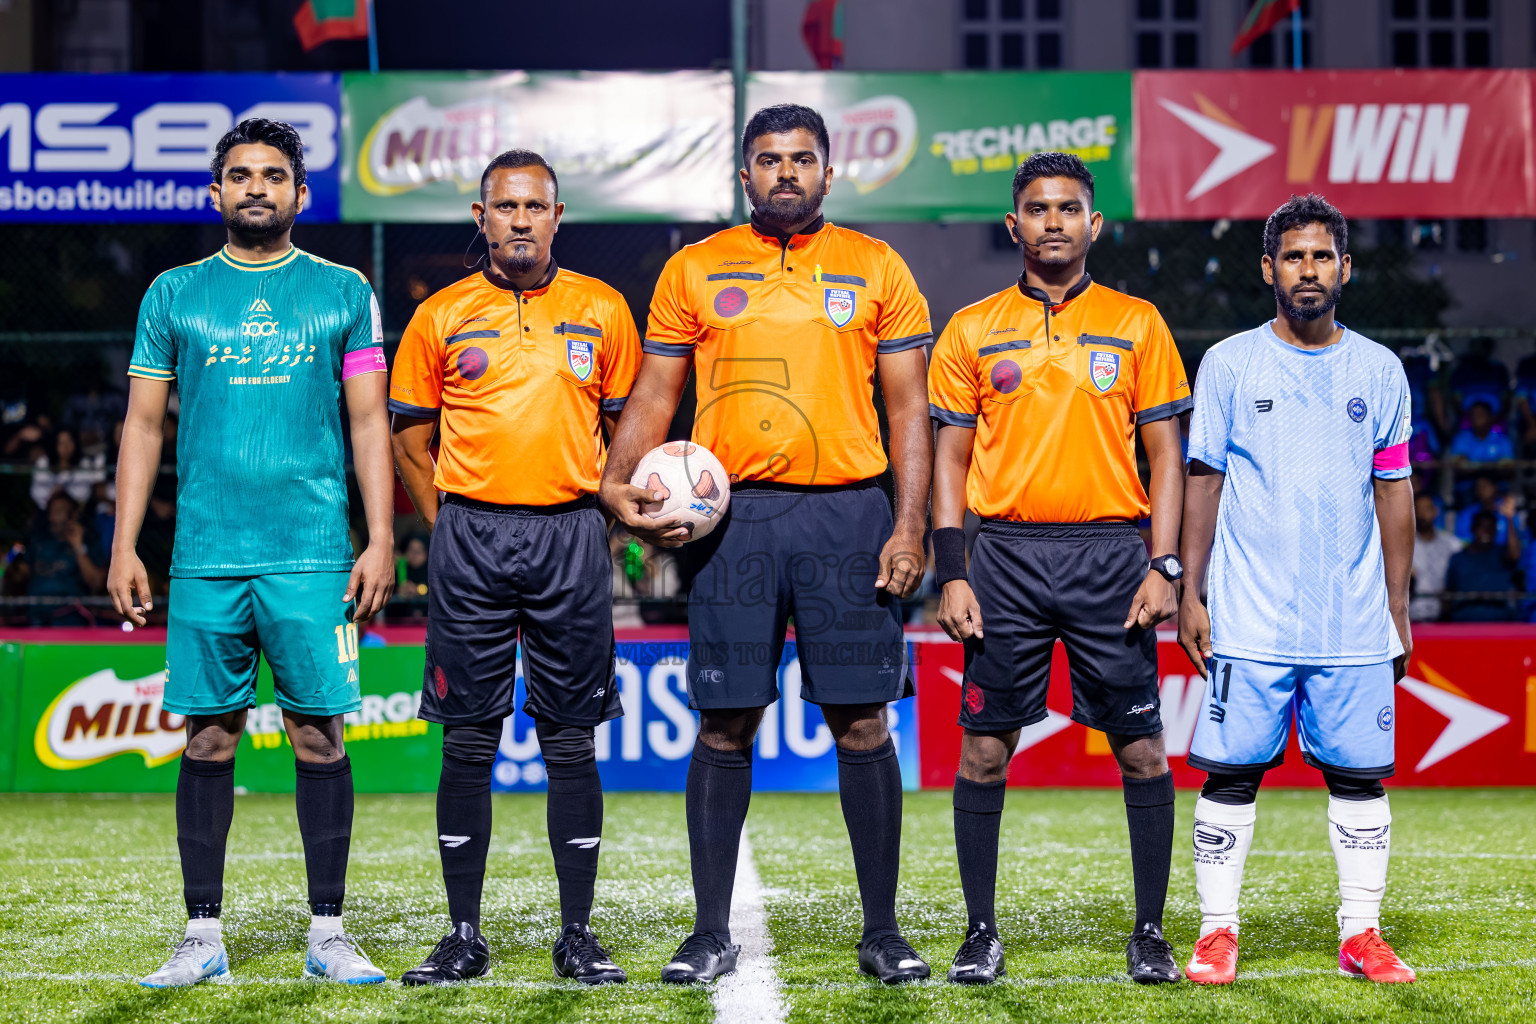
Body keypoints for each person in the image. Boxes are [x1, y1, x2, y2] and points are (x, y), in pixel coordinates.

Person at [600, 104, 934, 985]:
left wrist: (909, 524)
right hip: (733, 523)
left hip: (849, 518)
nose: (786, 172)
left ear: (829, 171)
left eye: (802, 158)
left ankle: (883, 931)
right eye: (769, 159)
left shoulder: (877, 265)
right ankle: (710, 931)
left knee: (862, 721)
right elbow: (655, 392)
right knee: (725, 720)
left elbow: (909, 409)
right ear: (744, 173)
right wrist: (614, 482)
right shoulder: (695, 267)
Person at [107, 118, 396, 988]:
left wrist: (381, 538)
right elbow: (143, 425)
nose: (256, 188)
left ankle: (328, 933)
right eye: (240, 175)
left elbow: (369, 422)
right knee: (207, 741)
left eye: (273, 175)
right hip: (206, 553)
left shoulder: (343, 289)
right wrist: (124, 544)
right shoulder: (174, 294)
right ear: (217, 192)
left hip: (312, 553)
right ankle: (202, 936)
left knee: (318, 737)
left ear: (300, 193)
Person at [928, 152, 1191, 986]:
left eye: (1068, 208)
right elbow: (949, 458)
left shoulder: (1137, 322)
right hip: (1004, 557)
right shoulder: (971, 328)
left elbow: (1167, 457)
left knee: (1141, 749)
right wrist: (952, 568)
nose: (1053, 222)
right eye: (1038, 209)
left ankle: (1150, 933)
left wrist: (1166, 566)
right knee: (984, 751)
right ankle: (980, 933)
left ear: (1094, 224)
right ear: (1014, 225)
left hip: (1111, 558)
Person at [390, 149, 640, 986]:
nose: (522, 219)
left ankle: (578, 935)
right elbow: (410, 442)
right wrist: (449, 532)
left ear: (558, 217)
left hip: (570, 532)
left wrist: (608, 520)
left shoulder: (603, 309)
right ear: (482, 217)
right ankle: (463, 935)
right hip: (471, 535)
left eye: (536, 206)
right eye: (506, 206)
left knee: (570, 739)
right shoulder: (440, 314)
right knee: (468, 739)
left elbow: (626, 438)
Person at [1178, 194, 1417, 986]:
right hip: (1250, 616)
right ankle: (1217, 933)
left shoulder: (1379, 370)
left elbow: (1394, 492)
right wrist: (1190, 592)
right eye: (1293, 256)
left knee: (1359, 779)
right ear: (1268, 269)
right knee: (1231, 774)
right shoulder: (1229, 364)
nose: (1307, 270)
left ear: (1345, 268)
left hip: (1351, 618)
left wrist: (1397, 608)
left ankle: (1361, 934)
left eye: (1321, 256)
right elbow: (1204, 481)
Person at [15, 490, 107, 626]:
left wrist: (78, 547)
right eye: (53, 510)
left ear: (73, 515)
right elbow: (19, 575)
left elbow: (97, 583)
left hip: (71, 618)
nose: (56, 515)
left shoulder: (88, 541)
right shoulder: (38, 541)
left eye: (62, 510)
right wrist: (9, 565)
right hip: (37, 616)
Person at [1445, 509, 1523, 622]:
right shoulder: (1457, 558)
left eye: (1491, 527)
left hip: (1500, 621)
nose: (1486, 531)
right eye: (1481, 526)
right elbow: (1448, 592)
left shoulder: (1503, 555)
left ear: (1496, 531)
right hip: (1463, 621)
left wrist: (1509, 519)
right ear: (1472, 529)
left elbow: (1515, 554)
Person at [1409, 493, 1462, 622]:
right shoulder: (1403, 545)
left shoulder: (1452, 544)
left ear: (1435, 511)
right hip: (1411, 613)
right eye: (1418, 510)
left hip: (1444, 615)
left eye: (1426, 509)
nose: (1422, 515)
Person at [1453, 475, 1515, 544]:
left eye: (1484, 487)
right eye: (1478, 487)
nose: (1481, 491)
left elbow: (1517, 541)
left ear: (1495, 487)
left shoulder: (1507, 510)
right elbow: (1461, 540)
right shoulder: (1466, 513)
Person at [1447, 401, 1514, 464]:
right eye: (1474, 415)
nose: (1476, 418)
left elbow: (1507, 463)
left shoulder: (1502, 440)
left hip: (1494, 473)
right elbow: (1457, 461)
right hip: (1469, 473)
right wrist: (1460, 460)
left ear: (1490, 417)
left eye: (1480, 415)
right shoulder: (1462, 438)